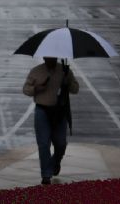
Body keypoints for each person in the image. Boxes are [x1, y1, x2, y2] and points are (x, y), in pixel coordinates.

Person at [22, 57, 79, 185]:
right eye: (48, 57)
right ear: (44, 57)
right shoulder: (36, 71)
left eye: (53, 57)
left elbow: (76, 89)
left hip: (60, 112)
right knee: (43, 144)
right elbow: (26, 89)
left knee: (61, 143)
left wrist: (67, 83)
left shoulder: (65, 71)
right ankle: (46, 175)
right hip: (42, 111)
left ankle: (55, 162)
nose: (50, 59)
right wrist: (36, 88)